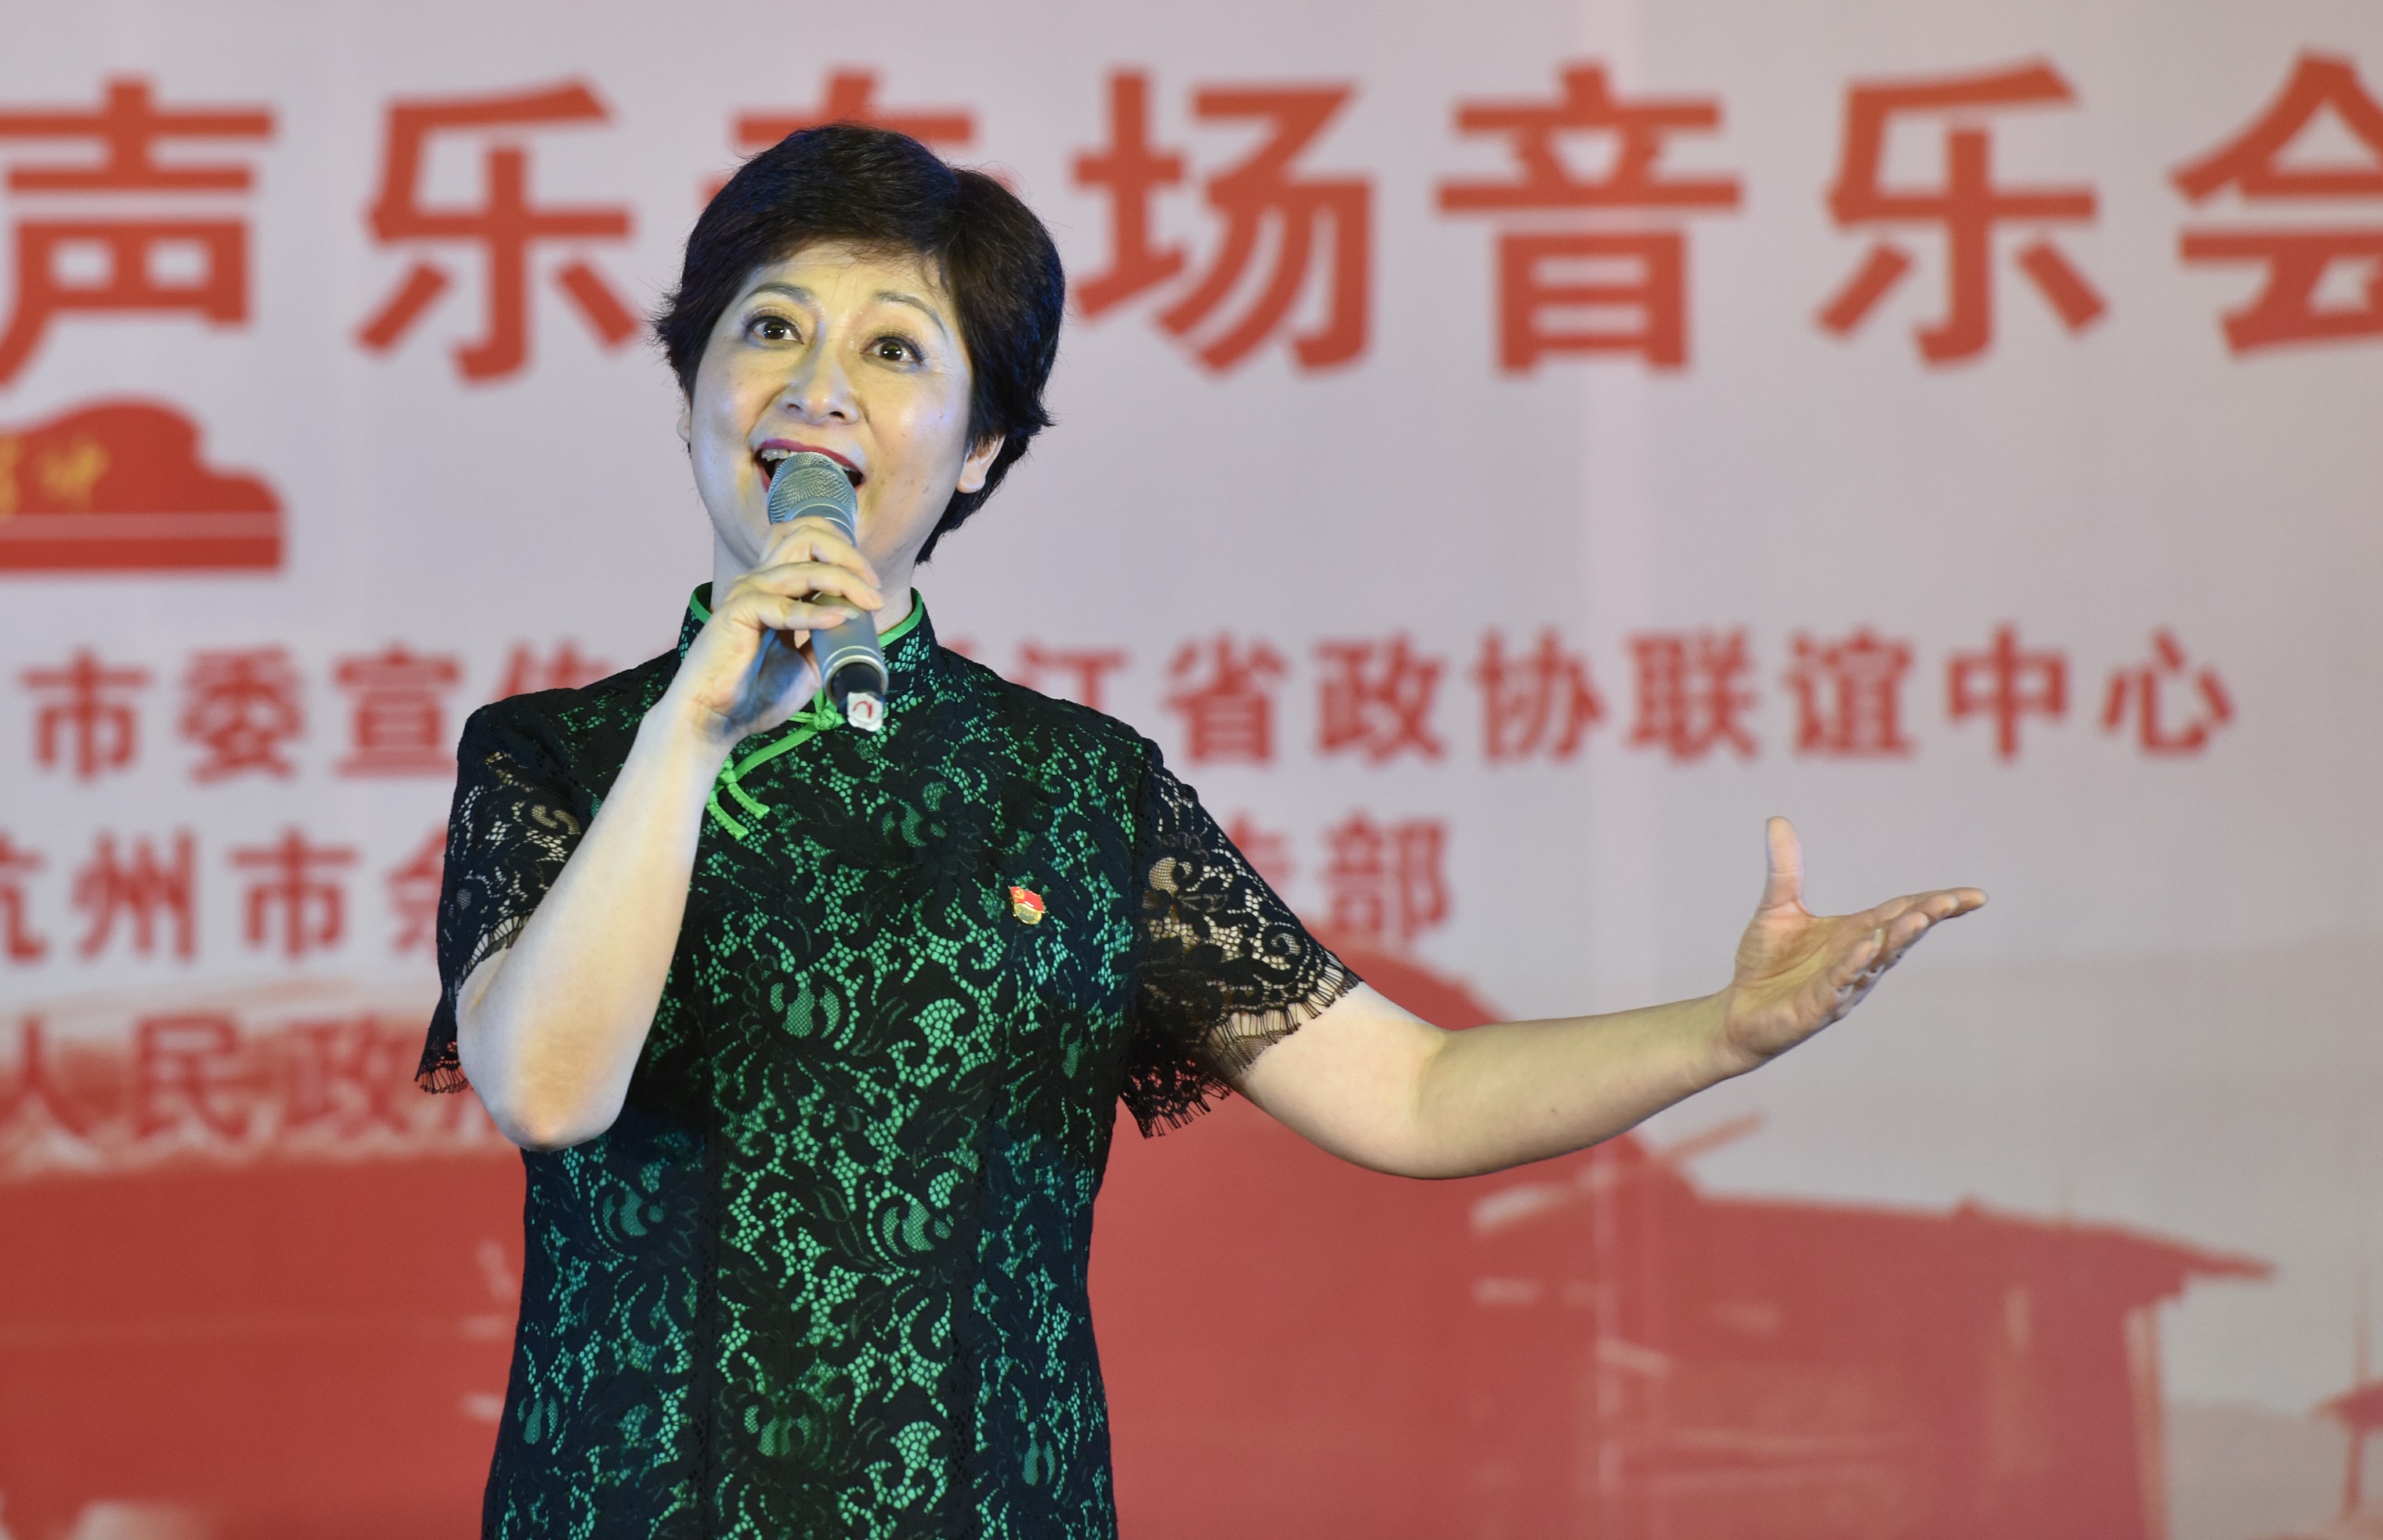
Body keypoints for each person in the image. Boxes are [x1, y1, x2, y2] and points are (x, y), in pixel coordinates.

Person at [417, 125, 1983, 1538]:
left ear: (980, 448)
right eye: (769, 329)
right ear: (693, 392)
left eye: (893, 348)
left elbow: (1412, 1091)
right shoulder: (557, 756)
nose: (818, 387)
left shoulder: (1078, 790)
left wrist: (1723, 1031)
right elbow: (546, 1086)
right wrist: (694, 723)